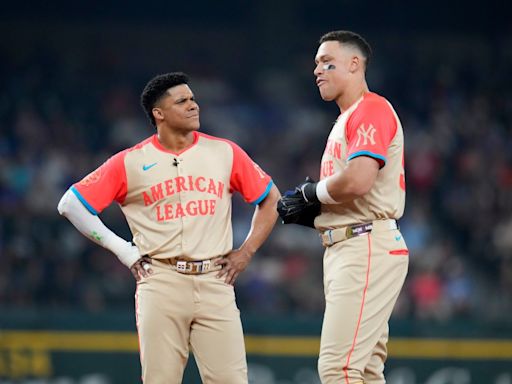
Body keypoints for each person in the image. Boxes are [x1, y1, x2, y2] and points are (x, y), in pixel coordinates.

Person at [58, 72, 280, 383]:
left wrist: (247, 251)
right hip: (160, 279)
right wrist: (123, 250)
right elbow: (70, 204)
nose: (193, 105)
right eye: (182, 101)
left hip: (215, 279)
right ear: (158, 114)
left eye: (193, 99)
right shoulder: (130, 161)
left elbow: (271, 199)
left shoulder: (224, 151)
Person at [278, 31, 408, 384]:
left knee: (338, 369)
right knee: (364, 371)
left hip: (365, 245)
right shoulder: (347, 118)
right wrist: (317, 214)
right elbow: (355, 191)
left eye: (326, 61)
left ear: (354, 64)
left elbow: (358, 180)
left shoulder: (371, 109)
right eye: (316, 63)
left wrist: (312, 193)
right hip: (352, 242)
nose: (317, 70)